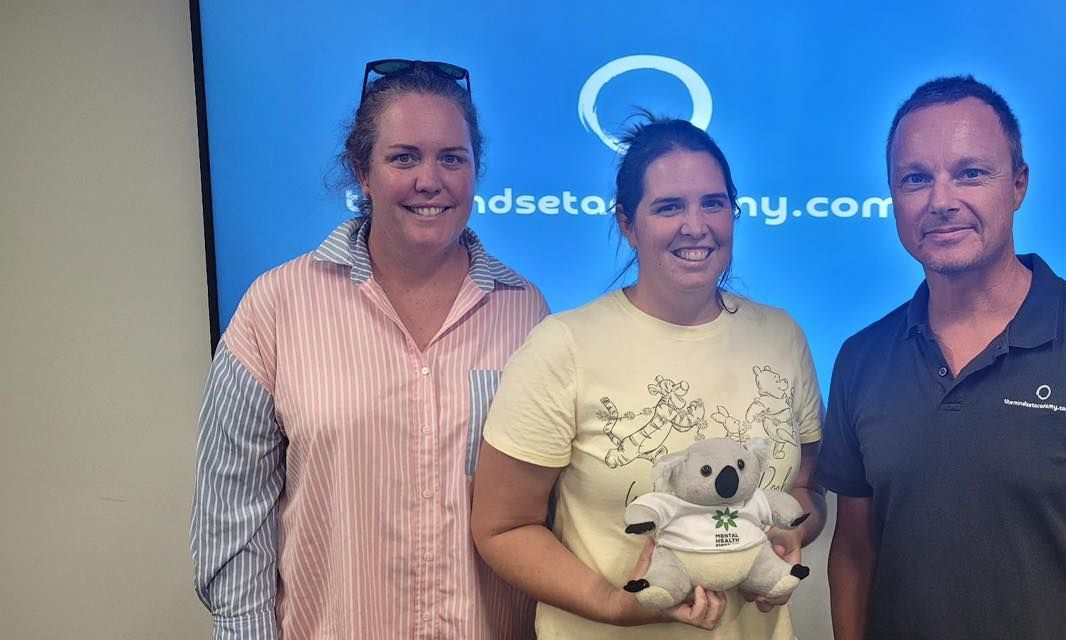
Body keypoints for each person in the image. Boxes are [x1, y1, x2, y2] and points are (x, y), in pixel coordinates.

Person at [817, 75, 1066, 639]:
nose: (941, 201)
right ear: (892, 197)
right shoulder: (861, 358)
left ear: (1018, 183)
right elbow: (855, 554)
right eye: (915, 179)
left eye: (970, 173)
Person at [189, 60, 546, 639]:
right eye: (403, 157)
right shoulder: (277, 306)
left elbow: (545, 508)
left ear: (475, 169)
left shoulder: (526, 310)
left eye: (452, 158)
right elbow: (233, 515)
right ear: (362, 170)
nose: (430, 180)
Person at [470, 116, 826, 639]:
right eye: (668, 207)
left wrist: (789, 536)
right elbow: (502, 527)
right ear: (627, 224)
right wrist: (614, 605)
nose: (696, 225)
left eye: (713, 202)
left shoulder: (782, 335)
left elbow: (803, 489)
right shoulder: (564, 345)